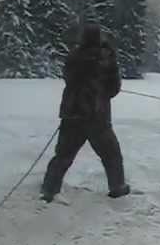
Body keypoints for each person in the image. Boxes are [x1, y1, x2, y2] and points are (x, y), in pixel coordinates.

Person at [40, 23, 130, 202]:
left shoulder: (74, 56)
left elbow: (68, 78)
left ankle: (49, 190)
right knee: (111, 154)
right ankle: (117, 188)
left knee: (63, 155)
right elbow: (114, 88)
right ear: (99, 38)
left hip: (72, 113)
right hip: (97, 116)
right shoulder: (107, 57)